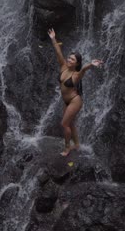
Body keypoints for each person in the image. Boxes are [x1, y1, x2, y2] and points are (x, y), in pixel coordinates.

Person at [48, 28, 103, 156]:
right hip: (66, 101)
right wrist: (53, 38)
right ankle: (77, 144)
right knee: (70, 123)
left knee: (64, 124)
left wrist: (91, 64)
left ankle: (67, 147)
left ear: (77, 63)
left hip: (74, 101)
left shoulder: (76, 75)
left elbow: (84, 69)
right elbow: (58, 52)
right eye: (69, 58)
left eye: (72, 59)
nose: (69, 60)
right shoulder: (63, 66)